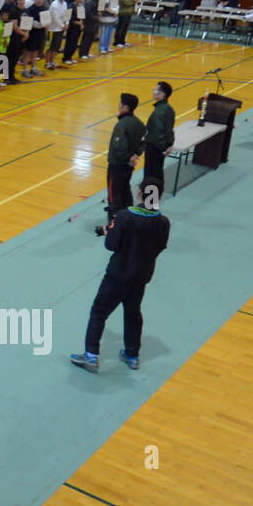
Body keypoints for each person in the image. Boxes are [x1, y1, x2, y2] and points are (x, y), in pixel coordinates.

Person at [71, 180, 170, 373]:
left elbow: (111, 245)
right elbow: (160, 247)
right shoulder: (163, 223)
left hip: (118, 274)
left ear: (140, 193)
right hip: (141, 277)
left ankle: (91, 356)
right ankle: (132, 355)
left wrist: (111, 230)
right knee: (133, 312)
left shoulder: (125, 217)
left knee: (99, 311)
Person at [97, 93, 145, 236]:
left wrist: (128, 157)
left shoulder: (121, 125)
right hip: (129, 166)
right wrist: (136, 155)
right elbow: (144, 141)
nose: (118, 106)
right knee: (125, 191)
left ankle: (114, 226)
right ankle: (129, 220)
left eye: (120, 103)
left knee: (114, 196)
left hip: (117, 165)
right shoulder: (139, 123)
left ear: (125, 107)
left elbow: (119, 147)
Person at [143, 82, 175, 189]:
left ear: (162, 95)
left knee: (151, 175)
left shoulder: (159, 112)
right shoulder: (168, 109)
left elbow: (157, 133)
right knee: (157, 173)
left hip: (154, 147)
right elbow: (169, 130)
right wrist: (169, 144)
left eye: (156, 90)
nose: (153, 91)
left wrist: (161, 148)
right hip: (159, 147)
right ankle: (153, 200)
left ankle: (150, 202)